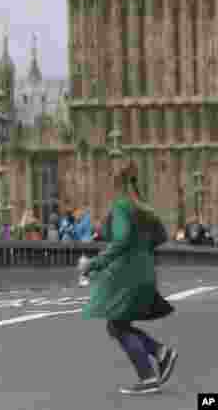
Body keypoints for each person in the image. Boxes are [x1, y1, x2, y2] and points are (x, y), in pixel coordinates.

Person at [79, 160, 178, 395]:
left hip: (127, 273)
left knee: (117, 324)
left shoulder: (123, 206)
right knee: (119, 324)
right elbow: (161, 237)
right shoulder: (145, 208)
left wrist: (93, 263)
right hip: (146, 271)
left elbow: (121, 239)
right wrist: (141, 250)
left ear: (117, 183)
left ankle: (148, 377)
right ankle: (161, 353)